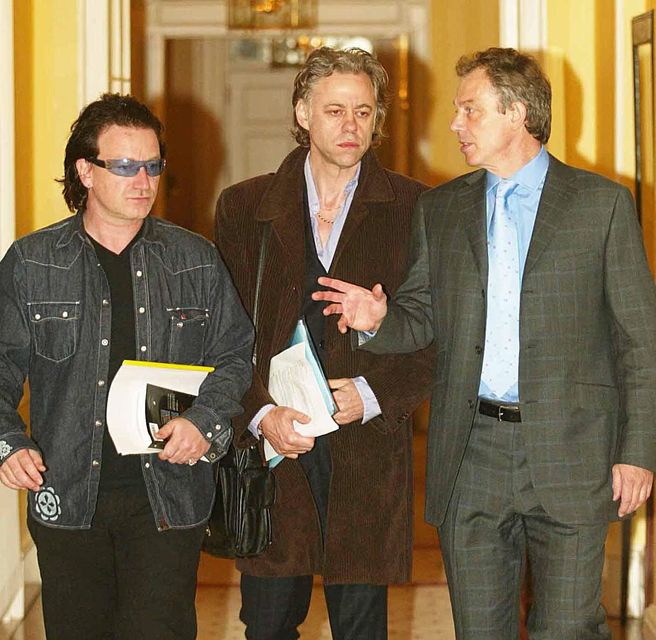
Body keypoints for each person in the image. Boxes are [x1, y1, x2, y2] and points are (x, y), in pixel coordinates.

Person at [313, 47, 656, 639]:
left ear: (517, 112)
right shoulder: (442, 209)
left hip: (573, 454)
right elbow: (422, 317)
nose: (455, 124)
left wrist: (638, 451)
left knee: (568, 628)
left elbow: (639, 343)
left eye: (470, 110)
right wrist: (378, 318)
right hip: (471, 454)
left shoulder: (601, 207)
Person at [0, 93, 253, 639]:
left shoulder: (195, 260)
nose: (144, 181)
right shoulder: (31, 263)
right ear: (85, 171)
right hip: (67, 495)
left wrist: (204, 421)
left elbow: (235, 354)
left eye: (153, 165)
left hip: (167, 494)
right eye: (125, 166)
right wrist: (9, 441)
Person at [214, 47, 434, 639]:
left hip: (366, 448)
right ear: (303, 113)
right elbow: (224, 337)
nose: (351, 126)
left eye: (364, 112)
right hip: (275, 451)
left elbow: (439, 335)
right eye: (335, 110)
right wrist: (260, 413)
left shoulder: (416, 208)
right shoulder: (245, 207)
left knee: (361, 627)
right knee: (267, 622)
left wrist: (372, 392)